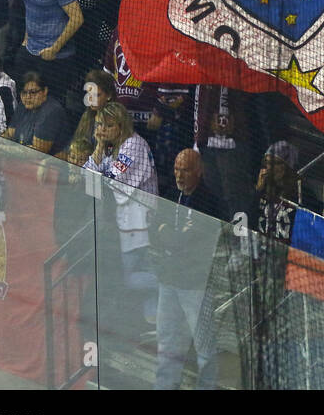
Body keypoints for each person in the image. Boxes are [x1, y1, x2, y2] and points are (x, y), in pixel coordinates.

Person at [154, 148, 226, 390]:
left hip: (196, 283)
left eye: (185, 170)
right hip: (169, 278)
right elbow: (155, 227)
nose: (179, 175)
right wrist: (170, 235)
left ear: (199, 171)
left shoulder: (208, 201)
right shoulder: (171, 193)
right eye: (176, 169)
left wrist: (169, 235)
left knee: (204, 347)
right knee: (167, 341)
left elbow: (185, 242)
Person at [86, 101, 158, 328]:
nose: (102, 130)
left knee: (129, 278)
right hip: (126, 223)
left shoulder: (133, 146)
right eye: (99, 125)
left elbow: (109, 181)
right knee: (133, 276)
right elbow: (89, 182)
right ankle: (154, 321)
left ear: (120, 125)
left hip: (142, 223)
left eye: (108, 125)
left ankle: (171, 283)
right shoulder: (109, 147)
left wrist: (98, 166)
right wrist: (98, 146)